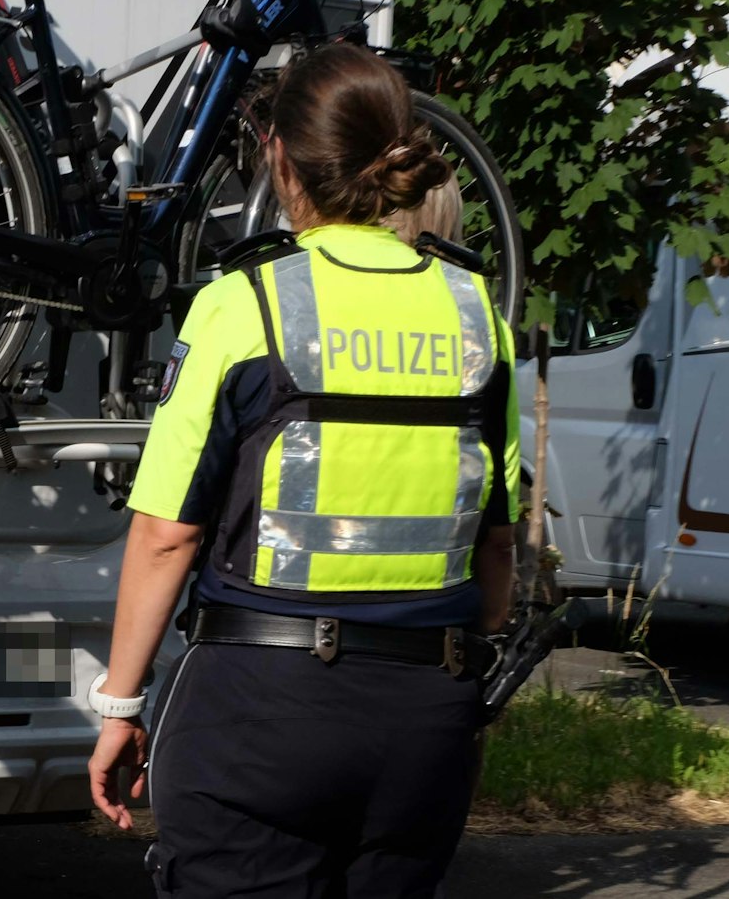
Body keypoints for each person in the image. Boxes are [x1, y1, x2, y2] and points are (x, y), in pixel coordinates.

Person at [86, 44, 521, 898]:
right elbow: (495, 551)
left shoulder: (244, 304)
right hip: (425, 720)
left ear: (281, 159)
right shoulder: (476, 313)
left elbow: (168, 533)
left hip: (260, 712)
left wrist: (120, 705)